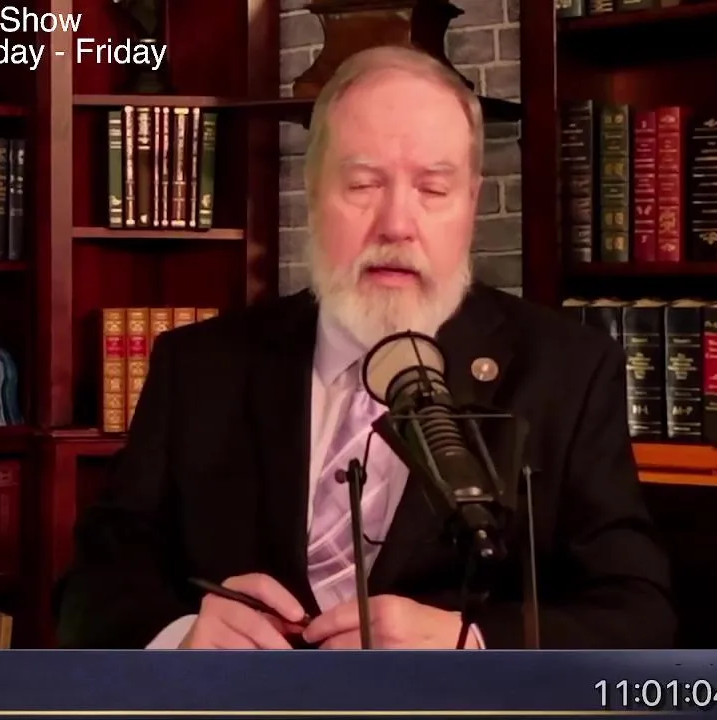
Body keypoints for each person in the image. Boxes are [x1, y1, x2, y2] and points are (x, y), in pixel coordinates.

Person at [54, 45, 674, 650]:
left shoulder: (567, 371)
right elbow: (93, 587)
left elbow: (638, 613)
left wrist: (473, 644)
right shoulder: (198, 366)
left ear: (471, 203)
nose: (396, 225)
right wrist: (181, 637)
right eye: (362, 184)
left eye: (433, 189)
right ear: (311, 191)